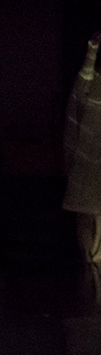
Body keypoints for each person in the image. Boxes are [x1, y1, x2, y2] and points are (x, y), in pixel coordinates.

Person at [64, 31, 101, 262]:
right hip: (88, 166)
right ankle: (90, 266)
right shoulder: (90, 85)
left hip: (90, 168)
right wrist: (92, 51)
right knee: (87, 218)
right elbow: (81, 90)